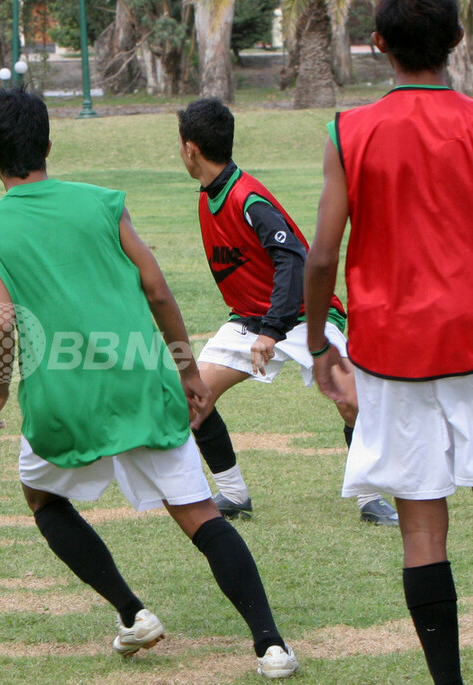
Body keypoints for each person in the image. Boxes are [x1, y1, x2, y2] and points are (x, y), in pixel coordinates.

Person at [0, 87, 298, 678]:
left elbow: (1, 318)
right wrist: (188, 371)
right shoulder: (101, 202)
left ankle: (132, 613)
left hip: (64, 398)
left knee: (42, 499)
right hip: (143, 381)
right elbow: (158, 289)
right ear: (48, 143)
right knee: (200, 516)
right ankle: (271, 645)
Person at [304, 0, 472, 680]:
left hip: (392, 349)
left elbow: (320, 258)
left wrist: (318, 346)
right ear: (458, 39)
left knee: (422, 528)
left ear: (378, 44)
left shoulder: (352, 130)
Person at [177, 98, 397, 526]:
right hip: (251, 320)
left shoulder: (248, 198)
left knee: (350, 399)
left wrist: (273, 330)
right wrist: (260, 327)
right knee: (193, 398)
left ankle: (371, 499)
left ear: (190, 149)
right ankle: (234, 494)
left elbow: (293, 259)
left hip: (305, 317)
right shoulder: (209, 197)